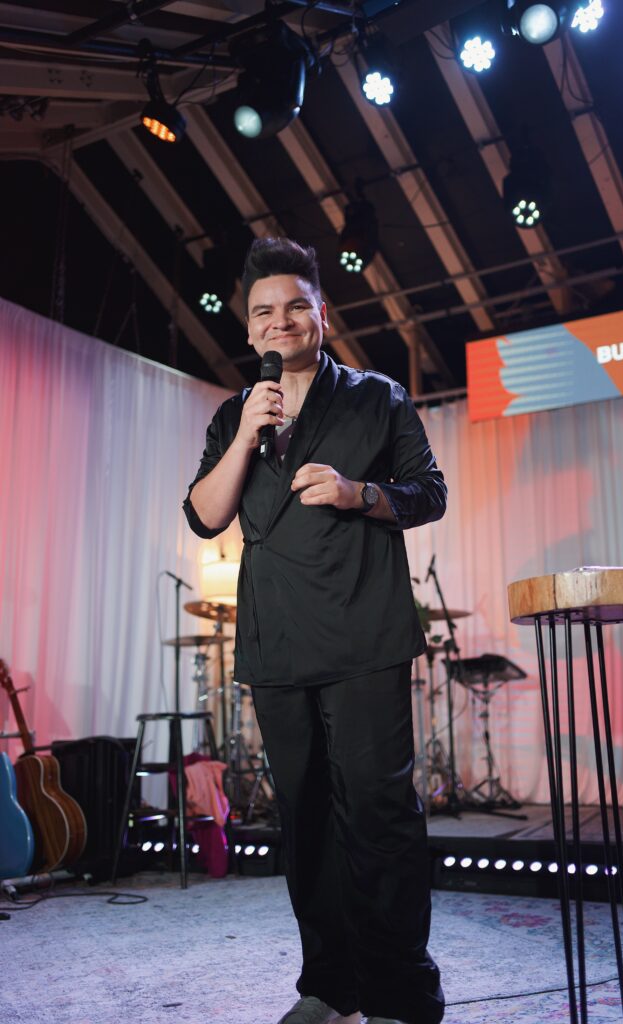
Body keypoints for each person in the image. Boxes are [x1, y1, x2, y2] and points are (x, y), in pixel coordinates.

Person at [184, 237, 447, 1024]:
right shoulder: (236, 414)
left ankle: (400, 990)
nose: (281, 321)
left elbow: (428, 492)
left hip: (364, 632)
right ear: (248, 327)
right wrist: (243, 434)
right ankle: (330, 986)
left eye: (296, 305)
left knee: (377, 812)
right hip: (276, 642)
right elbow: (204, 516)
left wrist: (357, 492)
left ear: (321, 313)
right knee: (302, 817)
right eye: (264, 311)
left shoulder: (377, 397)